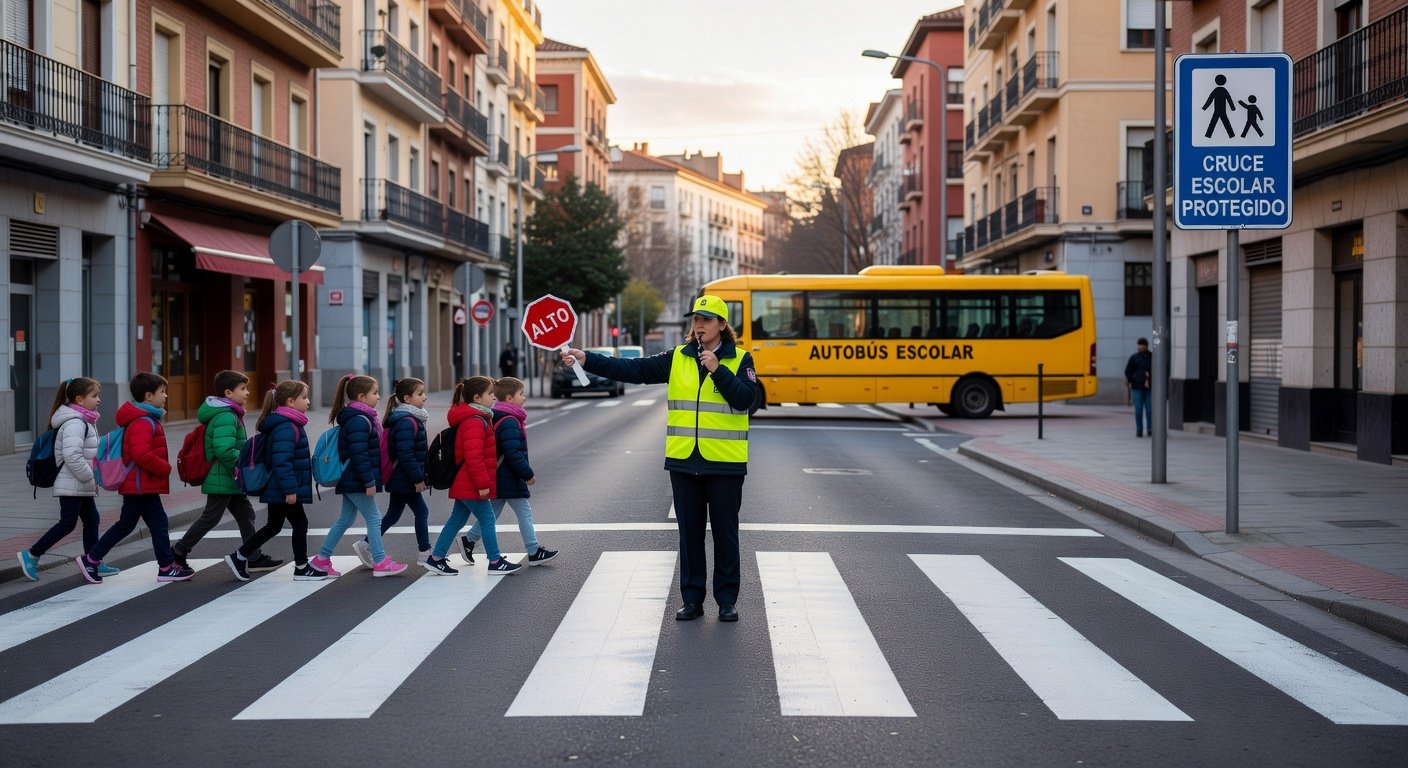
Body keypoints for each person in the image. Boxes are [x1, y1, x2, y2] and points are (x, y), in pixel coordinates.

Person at [562, 294, 759, 622]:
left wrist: (717, 370)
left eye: (706, 320)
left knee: (726, 533)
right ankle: (692, 599)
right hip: (684, 461)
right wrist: (587, 359)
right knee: (689, 534)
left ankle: (726, 600)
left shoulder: (741, 359)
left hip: (725, 463)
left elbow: (746, 401)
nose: (699, 325)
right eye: (695, 319)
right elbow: (634, 369)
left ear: (722, 326)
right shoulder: (679, 357)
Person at [77, 372, 194, 583]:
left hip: (141, 484)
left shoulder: (145, 418)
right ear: (149, 396)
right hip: (139, 484)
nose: (165, 396)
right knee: (135, 524)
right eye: (162, 392)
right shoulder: (142, 421)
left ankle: (166, 566)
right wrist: (164, 468)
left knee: (153, 523)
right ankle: (92, 559)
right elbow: (141, 453)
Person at [173, 370, 281, 572]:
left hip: (228, 477)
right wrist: (240, 469)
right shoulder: (225, 416)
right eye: (243, 388)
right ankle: (178, 552)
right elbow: (224, 450)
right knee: (211, 518)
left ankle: (254, 556)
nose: (247, 392)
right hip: (223, 476)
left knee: (246, 513)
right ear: (228, 393)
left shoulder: (230, 414)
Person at [17, 377, 119, 581]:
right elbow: (72, 456)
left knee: (92, 519)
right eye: (94, 395)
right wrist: (91, 476)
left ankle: (93, 561)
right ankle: (31, 554)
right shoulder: (75, 422)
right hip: (72, 481)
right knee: (68, 523)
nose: (98, 399)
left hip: (78, 482)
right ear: (80, 399)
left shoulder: (84, 419)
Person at [225, 380, 326, 581]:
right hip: (284, 487)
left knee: (274, 525)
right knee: (299, 522)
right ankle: (302, 567)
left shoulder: (286, 423)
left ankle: (239, 556)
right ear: (290, 401)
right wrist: (290, 490)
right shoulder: (286, 426)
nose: (308, 402)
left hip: (278, 486)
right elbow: (282, 461)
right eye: (304, 397)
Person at [311, 375, 408, 578]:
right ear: (362, 397)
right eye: (375, 393)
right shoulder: (359, 420)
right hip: (357, 479)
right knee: (373, 518)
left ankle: (321, 559)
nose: (379, 396)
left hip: (352, 478)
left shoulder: (358, 418)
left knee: (345, 519)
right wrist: (368, 481)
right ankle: (380, 561)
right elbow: (359, 455)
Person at [423, 376, 521, 575]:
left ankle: (436, 558)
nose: (494, 397)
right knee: (487, 518)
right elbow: (474, 456)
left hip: (464, 481)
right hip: (470, 482)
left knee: (457, 520)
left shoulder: (477, 417)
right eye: (490, 394)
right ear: (477, 397)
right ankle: (494, 561)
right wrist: (483, 483)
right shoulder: (475, 421)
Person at [458, 376, 558, 567]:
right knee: (524, 513)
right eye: (522, 394)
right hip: (509, 476)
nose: (525, 398)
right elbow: (512, 453)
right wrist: (527, 474)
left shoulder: (498, 415)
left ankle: (469, 540)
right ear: (510, 398)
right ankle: (534, 551)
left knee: (493, 513)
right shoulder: (511, 420)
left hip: (499, 475)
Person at [362, 377, 431, 564]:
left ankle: (366, 543)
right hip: (404, 477)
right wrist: (418, 478)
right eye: (420, 393)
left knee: (393, 514)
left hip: (400, 476)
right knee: (421, 512)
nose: (424, 397)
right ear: (407, 399)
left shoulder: (408, 418)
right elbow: (405, 453)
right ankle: (425, 552)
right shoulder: (407, 421)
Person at [1126, 337, 1153, 437]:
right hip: (1137, 387)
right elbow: (1128, 371)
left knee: (1150, 410)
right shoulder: (1134, 357)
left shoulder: (1152, 357)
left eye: (1142, 345)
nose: (1140, 347)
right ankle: (1139, 429)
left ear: (1146, 346)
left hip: (1149, 387)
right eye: (1139, 345)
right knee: (1138, 409)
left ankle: (1150, 429)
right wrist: (1131, 381)